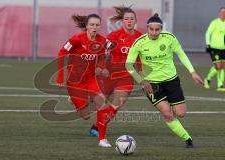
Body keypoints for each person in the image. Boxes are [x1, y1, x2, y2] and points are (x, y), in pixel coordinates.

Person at [126, 13, 204, 148]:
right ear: (147, 28)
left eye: (157, 30)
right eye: (151, 29)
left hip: (171, 80)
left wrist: (193, 72)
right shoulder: (139, 42)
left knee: (181, 113)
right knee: (167, 114)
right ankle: (188, 139)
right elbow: (128, 64)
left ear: (161, 29)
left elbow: (181, 54)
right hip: (151, 84)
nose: (154, 33)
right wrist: (142, 81)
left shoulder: (169, 38)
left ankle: (172, 115)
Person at [95, 6, 142, 147]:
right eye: (126, 19)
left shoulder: (140, 37)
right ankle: (85, 103)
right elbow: (104, 52)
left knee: (115, 106)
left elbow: (140, 59)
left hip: (125, 77)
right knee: (99, 104)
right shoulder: (114, 35)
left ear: (135, 21)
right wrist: (105, 60)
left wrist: (142, 76)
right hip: (108, 75)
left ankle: (101, 138)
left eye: (131, 19)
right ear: (122, 21)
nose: (129, 21)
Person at [56, 14, 107, 129]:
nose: (94, 27)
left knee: (101, 101)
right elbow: (61, 53)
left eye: (97, 25)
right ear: (87, 26)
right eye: (92, 24)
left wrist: (100, 66)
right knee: (86, 116)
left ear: (100, 27)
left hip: (91, 78)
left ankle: (99, 131)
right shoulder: (77, 39)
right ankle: (76, 100)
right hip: (75, 81)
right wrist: (60, 77)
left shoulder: (102, 41)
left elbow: (103, 57)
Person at [204, 7, 225, 91]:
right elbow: (207, 33)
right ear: (219, 14)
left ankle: (220, 85)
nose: (223, 14)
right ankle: (208, 79)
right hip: (215, 48)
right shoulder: (214, 23)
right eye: (222, 12)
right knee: (218, 66)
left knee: (223, 66)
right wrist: (208, 44)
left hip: (224, 48)